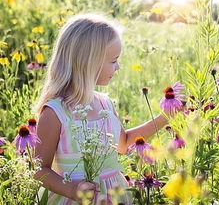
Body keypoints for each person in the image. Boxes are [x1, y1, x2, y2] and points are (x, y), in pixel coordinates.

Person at [33, 13, 168, 205]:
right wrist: (72, 190)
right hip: (74, 199)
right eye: (113, 61)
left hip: (115, 196)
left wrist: (165, 117)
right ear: (88, 63)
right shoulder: (55, 112)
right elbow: (39, 169)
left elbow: (124, 144)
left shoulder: (105, 103)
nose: (118, 67)